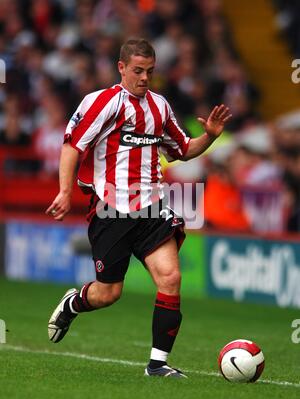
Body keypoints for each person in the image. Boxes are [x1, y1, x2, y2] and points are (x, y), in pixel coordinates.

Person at [46, 38, 231, 378]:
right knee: (108, 293)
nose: (145, 78)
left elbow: (183, 149)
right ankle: (74, 303)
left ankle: (157, 365)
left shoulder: (160, 106)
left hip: (150, 208)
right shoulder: (102, 102)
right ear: (121, 68)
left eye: (150, 71)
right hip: (111, 211)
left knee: (171, 277)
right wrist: (64, 190)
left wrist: (211, 137)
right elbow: (73, 145)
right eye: (138, 71)